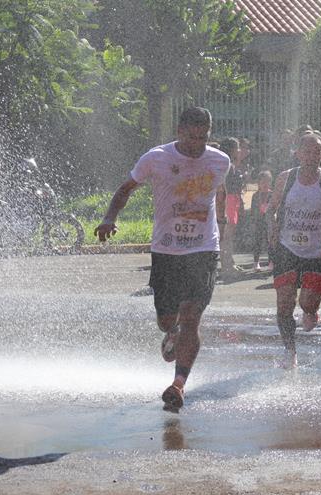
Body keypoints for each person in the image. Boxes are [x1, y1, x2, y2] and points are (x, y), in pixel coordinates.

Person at [93, 107, 230, 412]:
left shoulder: (220, 161)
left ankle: (178, 384)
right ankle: (172, 331)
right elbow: (125, 189)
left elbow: (218, 191)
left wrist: (222, 217)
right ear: (179, 131)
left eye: (203, 137)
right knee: (167, 319)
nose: (197, 144)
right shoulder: (156, 158)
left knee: (192, 315)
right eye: (191, 136)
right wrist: (109, 218)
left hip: (204, 249)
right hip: (167, 250)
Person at [266, 133, 321, 367]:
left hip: (316, 253)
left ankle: (311, 311)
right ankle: (290, 351)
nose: (313, 156)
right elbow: (271, 209)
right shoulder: (286, 179)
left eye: (317, 151)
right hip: (286, 249)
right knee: (284, 303)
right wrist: (271, 228)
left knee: (307, 304)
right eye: (308, 151)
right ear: (298, 153)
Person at [219, 137, 245, 275]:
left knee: (229, 235)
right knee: (226, 236)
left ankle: (230, 262)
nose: (240, 150)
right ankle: (226, 266)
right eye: (238, 148)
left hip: (232, 201)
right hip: (228, 201)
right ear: (232, 150)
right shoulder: (226, 165)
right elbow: (223, 188)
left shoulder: (232, 164)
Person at [250, 169, 272, 272]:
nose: (265, 184)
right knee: (257, 241)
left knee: (271, 242)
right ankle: (256, 262)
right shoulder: (255, 196)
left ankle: (271, 262)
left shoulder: (272, 195)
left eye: (267, 181)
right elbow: (252, 210)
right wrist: (253, 222)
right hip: (258, 221)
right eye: (262, 182)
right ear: (258, 183)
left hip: (269, 221)